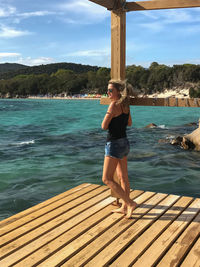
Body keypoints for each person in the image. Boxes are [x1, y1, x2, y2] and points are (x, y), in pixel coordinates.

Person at [101, 79, 137, 219]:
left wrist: (109, 114)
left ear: (118, 92)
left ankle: (129, 203)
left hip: (114, 144)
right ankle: (124, 207)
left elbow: (104, 126)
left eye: (111, 90)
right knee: (123, 177)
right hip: (124, 143)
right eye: (108, 90)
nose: (108, 93)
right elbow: (129, 123)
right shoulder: (126, 106)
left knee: (107, 178)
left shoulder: (113, 105)